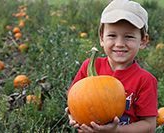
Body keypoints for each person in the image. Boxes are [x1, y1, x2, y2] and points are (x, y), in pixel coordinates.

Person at [65, 0, 158, 132]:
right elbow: (74, 102)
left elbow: (149, 126)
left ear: (143, 41)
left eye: (129, 37)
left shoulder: (145, 80)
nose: (120, 43)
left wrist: (116, 131)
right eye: (112, 35)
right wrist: (73, 116)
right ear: (102, 38)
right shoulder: (89, 67)